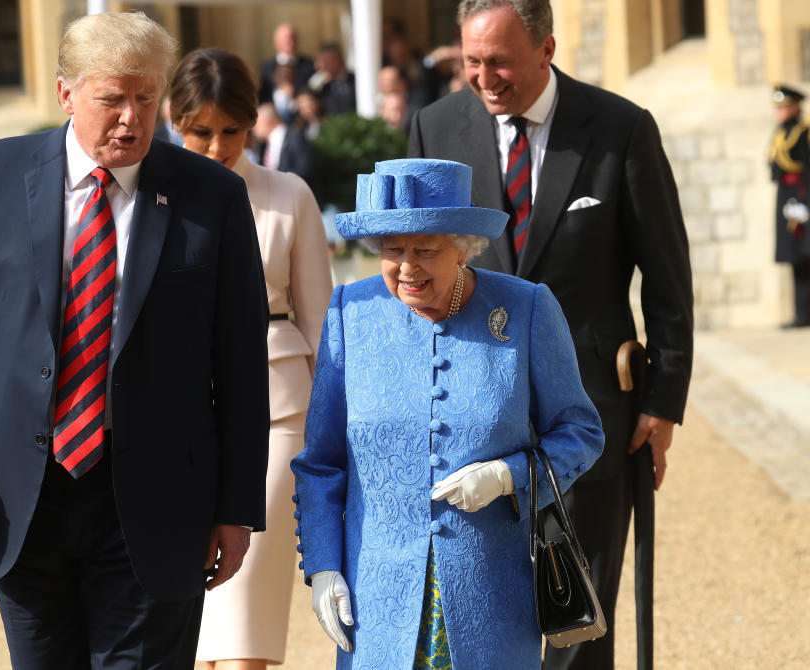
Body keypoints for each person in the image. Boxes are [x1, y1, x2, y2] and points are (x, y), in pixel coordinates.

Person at [0, 12, 270, 669]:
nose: (131, 117)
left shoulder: (210, 196)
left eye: (146, 98)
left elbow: (240, 362)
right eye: (111, 98)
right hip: (19, 500)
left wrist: (237, 508)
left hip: (160, 506)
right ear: (66, 93)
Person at [407, 2, 694, 669]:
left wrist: (663, 402)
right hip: (471, 414)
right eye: (472, 61)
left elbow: (668, 278)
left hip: (591, 413)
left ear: (547, 49)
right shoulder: (435, 125)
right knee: (479, 612)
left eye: (500, 61)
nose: (484, 77)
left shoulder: (622, 129)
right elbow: (409, 266)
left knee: (576, 619)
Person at [291, 158, 604, 669]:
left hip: (493, 596)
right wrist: (323, 565)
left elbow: (581, 432)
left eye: (426, 250)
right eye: (392, 250)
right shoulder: (351, 311)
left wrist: (508, 476)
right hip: (378, 599)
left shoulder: (525, 309)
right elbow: (321, 462)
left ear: (464, 247)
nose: (407, 267)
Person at [169, 47, 334, 670]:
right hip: (173, 416)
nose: (216, 146)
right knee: (187, 615)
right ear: (172, 120)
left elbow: (319, 321)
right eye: (200, 132)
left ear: (254, 121)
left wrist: (335, 427)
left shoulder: (289, 194)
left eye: (231, 131)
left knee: (246, 604)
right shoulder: (146, 197)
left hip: (278, 414)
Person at [768, 84, 810, 328]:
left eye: (784, 107)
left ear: (795, 107)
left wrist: (805, 203)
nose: (779, 112)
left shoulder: (802, 133)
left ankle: (804, 314)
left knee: (805, 257)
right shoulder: (780, 133)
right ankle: (801, 314)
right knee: (795, 258)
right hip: (786, 197)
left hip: (801, 196)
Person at [253, 102, 313, 183]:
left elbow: (304, 170)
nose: (254, 130)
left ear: (266, 121)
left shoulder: (295, 137)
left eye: (256, 124)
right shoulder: (264, 146)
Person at [259, 23, 315, 106]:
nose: (291, 43)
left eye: (294, 38)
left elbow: (312, 89)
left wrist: (295, 94)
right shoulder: (266, 68)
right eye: (287, 39)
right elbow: (263, 96)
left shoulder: (309, 65)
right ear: (276, 42)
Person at [310, 44, 356, 118]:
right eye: (323, 62)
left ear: (339, 60)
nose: (324, 66)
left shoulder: (354, 80)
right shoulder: (324, 86)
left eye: (328, 62)